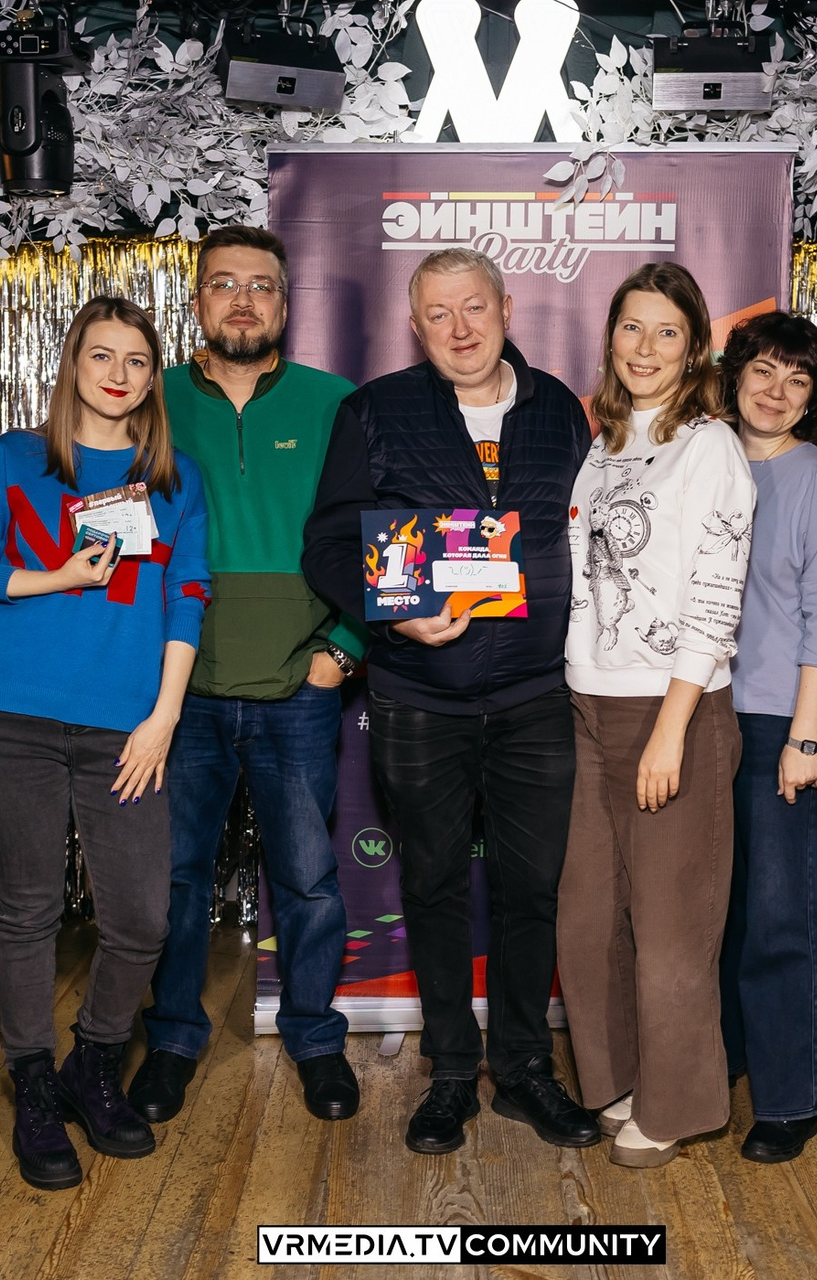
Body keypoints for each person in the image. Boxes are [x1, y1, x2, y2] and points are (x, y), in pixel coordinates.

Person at [302, 247, 599, 1155]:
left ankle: (525, 1069)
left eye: (474, 307)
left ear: (506, 308)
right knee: (431, 887)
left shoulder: (560, 410)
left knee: (529, 892)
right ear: (415, 326)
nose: (460, 328)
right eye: (439, 314)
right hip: (419, 699)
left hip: (537, 699)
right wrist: (395, 615)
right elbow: (326, 547)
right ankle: (450, 1073)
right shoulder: (376, 410)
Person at [0, 297, 209, 1190]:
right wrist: (54, 575)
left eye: (136, 360)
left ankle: (92, 1062)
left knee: (141, 918)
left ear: (153, 377)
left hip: (126, 726)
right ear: (73, 365)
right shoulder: (17, 459)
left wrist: (163, 716)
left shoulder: (175, 479)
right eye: (102, 355)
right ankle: (32, 1081)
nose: (118, 374)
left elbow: (188, 598)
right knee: (29, 910)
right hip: (10, 716)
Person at [133, 226, 365, 1127]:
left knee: (307, 879)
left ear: (285, 303)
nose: (242, 300)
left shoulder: (334, 402)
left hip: (298, 689)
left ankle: (315, 1038)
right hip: (177, 693)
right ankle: (172, 1040)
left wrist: (344, 649)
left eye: (260, 286)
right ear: (197, 301)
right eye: (224, 284)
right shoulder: (149, 397)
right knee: (176, 879)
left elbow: (378, 532)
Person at [556, 262, 756, 1168]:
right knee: (588, 917)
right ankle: (616, 1078)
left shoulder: (710, 446)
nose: (645, 347)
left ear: (696, 347)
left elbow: (717, 593)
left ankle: (679, 1105)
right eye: (631, 328)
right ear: (610, 339)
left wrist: (673, 727)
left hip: (671, 710)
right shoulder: (603, 444)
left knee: (673, 928)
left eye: (666, 332)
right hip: (587, 700)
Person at [714, 312, 817, 1164]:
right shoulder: (704, 459)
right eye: (764, 371)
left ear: (814, 399)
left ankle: (791, 1096)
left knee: (781, 913)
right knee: (721, 910)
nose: (776, 392)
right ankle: (726, 1059)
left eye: (797, 380)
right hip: (703, 713)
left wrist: (805, 739)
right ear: (735, 374)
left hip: (782, 720)